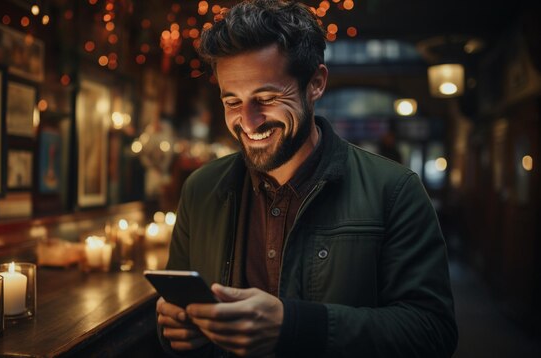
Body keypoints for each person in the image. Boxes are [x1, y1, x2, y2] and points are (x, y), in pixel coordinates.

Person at [155, 1, 457, 357]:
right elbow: (171, 323)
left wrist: (295, 326)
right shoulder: (200, 189)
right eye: (232, 102)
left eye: (266, 98)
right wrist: (174, 330)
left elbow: (433, 332)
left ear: (315, 83)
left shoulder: (395, 190)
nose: (248, 123)